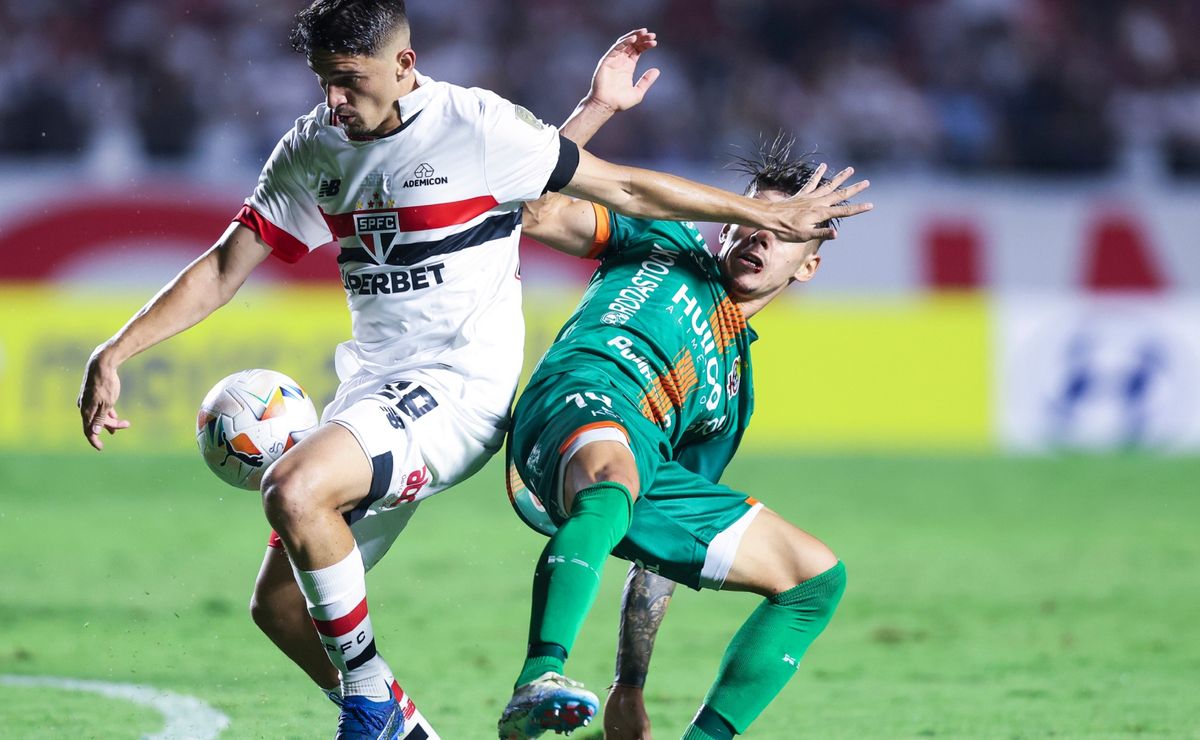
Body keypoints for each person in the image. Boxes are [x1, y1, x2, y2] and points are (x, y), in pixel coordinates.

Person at [75, 2, 869, 737]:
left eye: (348, 81)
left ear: (403, 63)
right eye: (324, 82)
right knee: (281, 608)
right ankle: (400, 721)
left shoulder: (472, 123)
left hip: (460, 390)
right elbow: (225, 267)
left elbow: (611, 185)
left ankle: (447, 692)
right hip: (416, 392)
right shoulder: (315, 149)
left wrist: (631, 680)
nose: (334, 100)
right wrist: (117, 348)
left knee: (297, 488)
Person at [499, 42, 870, 738]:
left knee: (816, 579)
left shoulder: (729, 393)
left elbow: (660, 554)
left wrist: (629, 682)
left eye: (782, 231)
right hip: (576, 399)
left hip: (626, 464)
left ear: (808, 265)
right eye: (750, 220)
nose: (760, 236)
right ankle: (535, 679)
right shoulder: (662, 241)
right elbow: (532, 211)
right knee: (613, 472)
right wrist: (597, 108)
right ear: (725, 222)